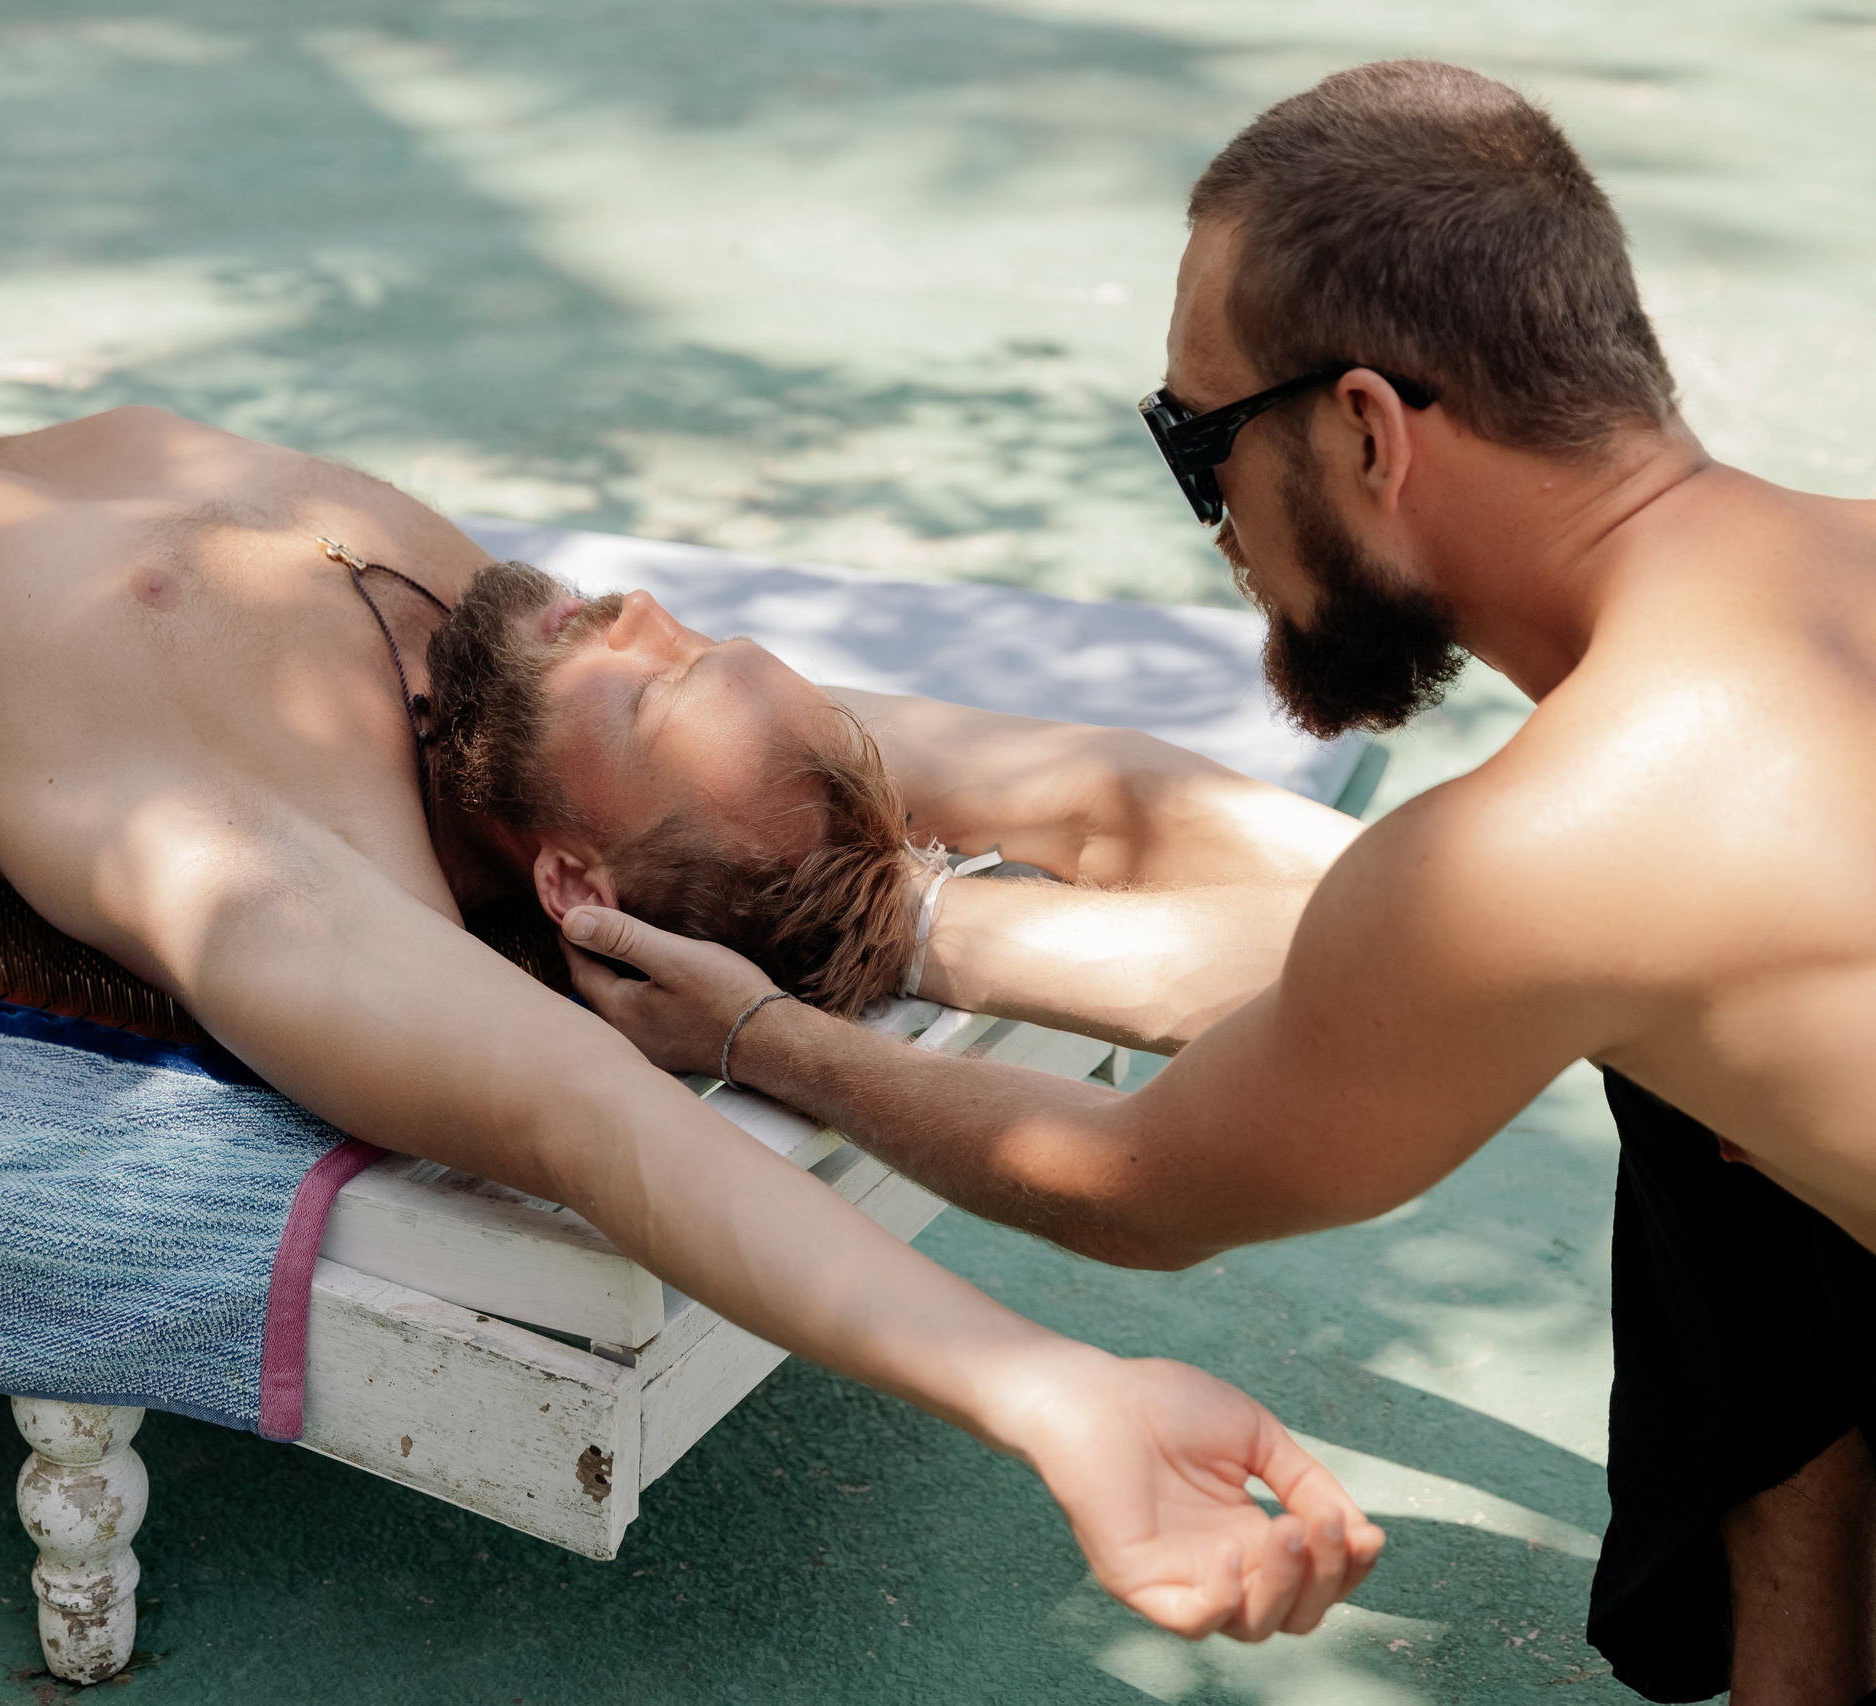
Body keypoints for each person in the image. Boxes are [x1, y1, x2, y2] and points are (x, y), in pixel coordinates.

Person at [0, 351, 1383, 1641]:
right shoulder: (505, 648)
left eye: (648, 679)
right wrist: (1470, 908)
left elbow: (601, 1125)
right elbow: (1094, 795)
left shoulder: (286, 872)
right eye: (684, 637)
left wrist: (1058, 1394)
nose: (643, 609)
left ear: (572, 875)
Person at [560, 58, 1876, 1704]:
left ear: (1369, 432)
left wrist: (760, 1034)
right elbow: (1308, 934)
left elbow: (1135, 1180)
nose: (1216, 519)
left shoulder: (1553, 849)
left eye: (1200, 445)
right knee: (1702, 1110)